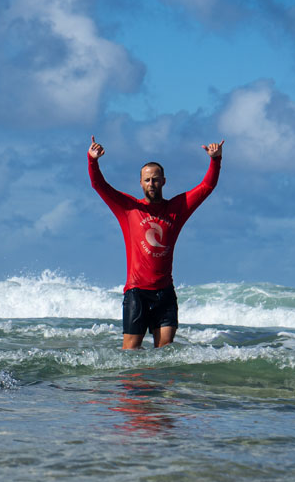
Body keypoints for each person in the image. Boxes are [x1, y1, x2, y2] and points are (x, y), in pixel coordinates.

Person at [88, 135, 223, 350]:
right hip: (136, 293)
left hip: (164, 293)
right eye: (148, 180)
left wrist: (215, 160)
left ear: (164, 181)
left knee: (164, 353)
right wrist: (92, 160)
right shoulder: (128, 208)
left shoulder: (177, 208)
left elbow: (207, 186)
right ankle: (136, 385)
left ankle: (157, 386)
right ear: (141, 183)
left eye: (156, 179)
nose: (152, 183)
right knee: (131, 353)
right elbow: (98, 185)